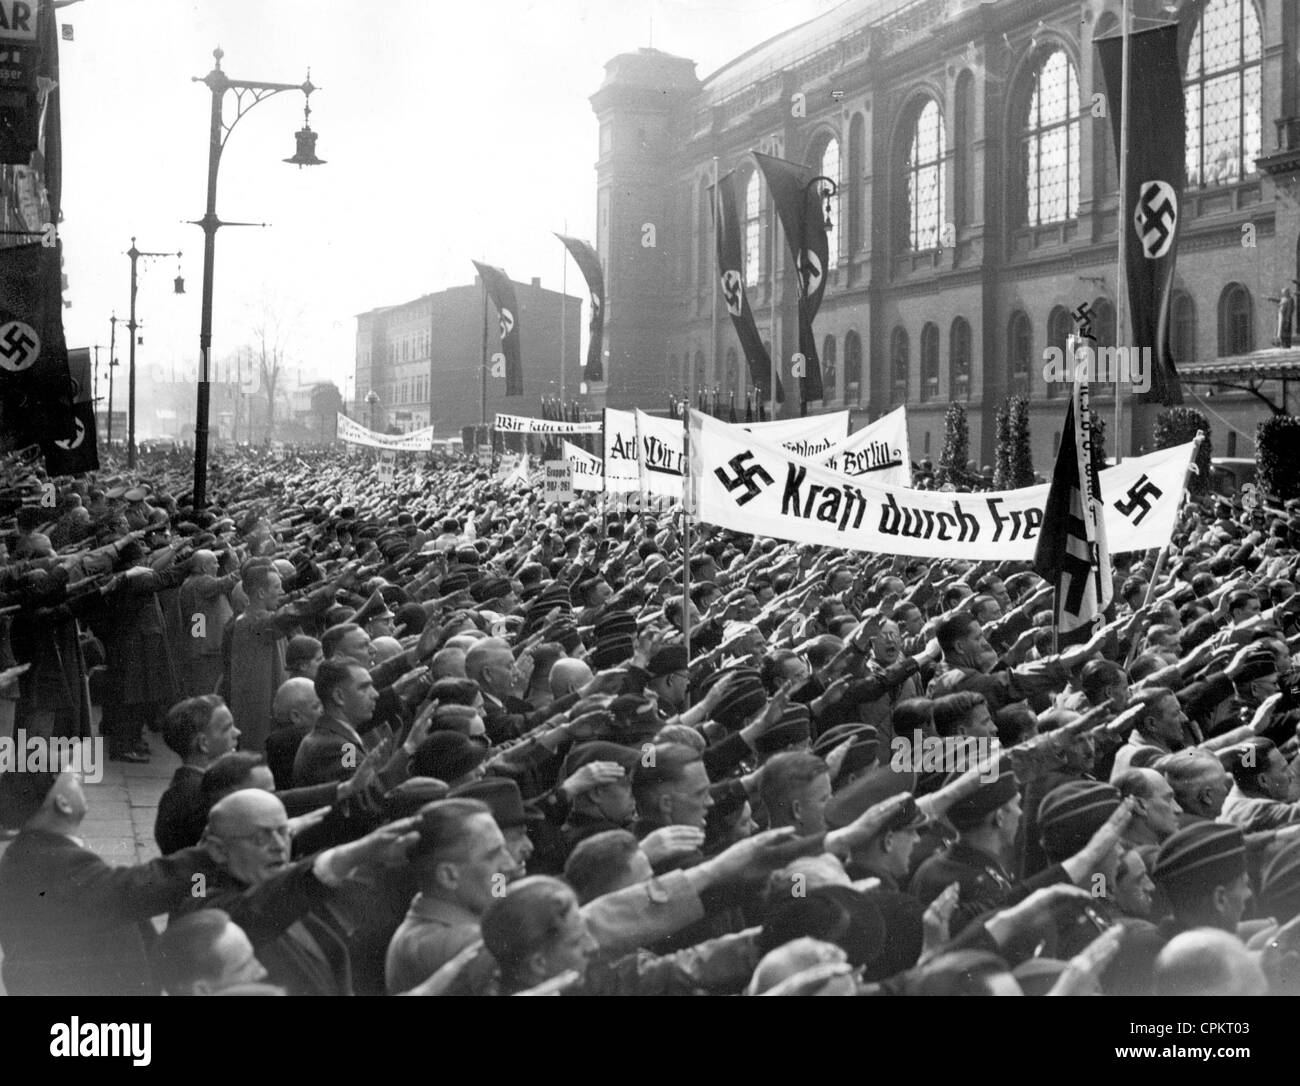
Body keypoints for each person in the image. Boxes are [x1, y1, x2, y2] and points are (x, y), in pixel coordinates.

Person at [156, 695, 242, 854]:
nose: (237, 733)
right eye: (227, 728)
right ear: (203, 744)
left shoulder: (183, 787)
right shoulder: (206, 794)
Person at [293, 659, 378, 787]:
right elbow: (362, 794)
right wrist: (408, 748)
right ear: (339, 696)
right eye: (363, 688)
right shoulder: (340, 748)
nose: (375, 694)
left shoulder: (334, 737)